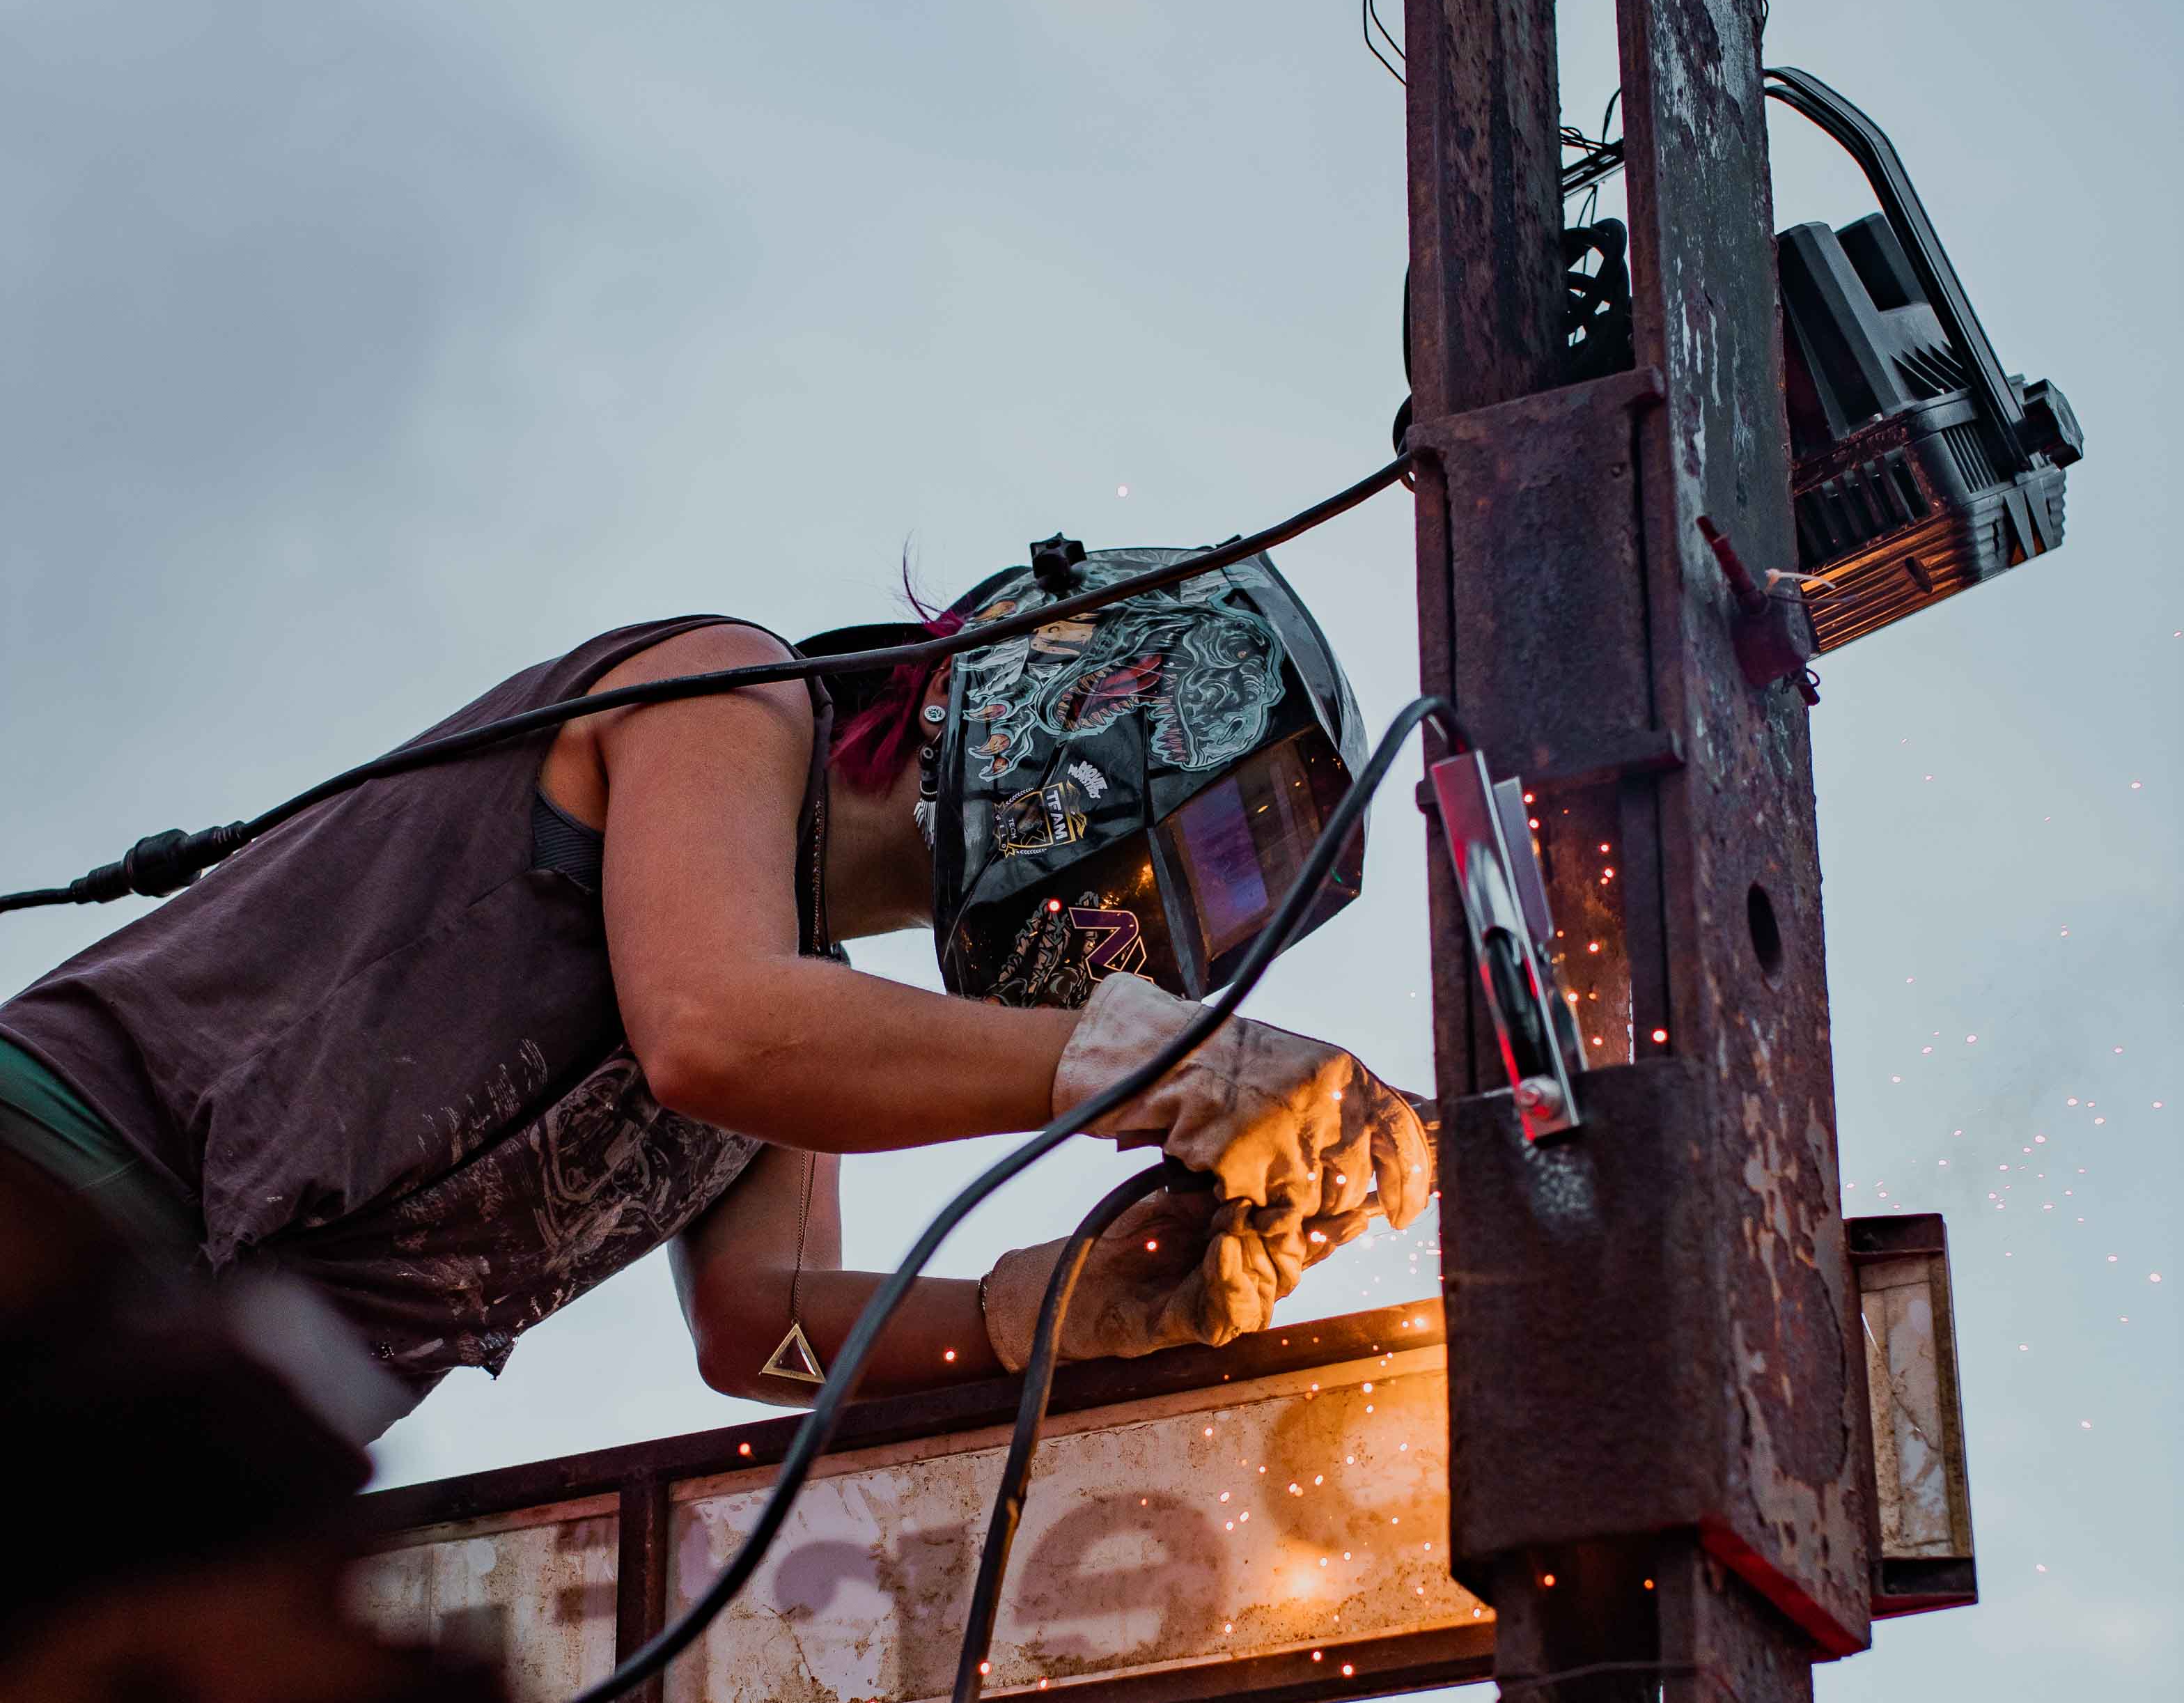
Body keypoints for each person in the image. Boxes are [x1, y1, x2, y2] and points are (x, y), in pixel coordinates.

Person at [0, 540, 1429, 1436]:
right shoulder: (724, 692)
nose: (1153, 914)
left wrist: (1031, 1315)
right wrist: (1162, 1067)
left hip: (190, 1411)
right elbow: (712, 1030)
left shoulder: (815, 1006)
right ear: (1094, 690)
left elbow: (763, 1327)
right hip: (61, 1201)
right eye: (1204, 842)